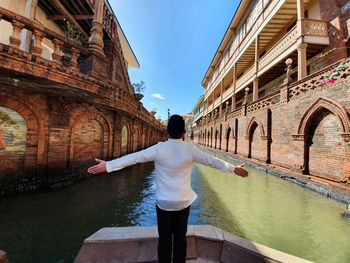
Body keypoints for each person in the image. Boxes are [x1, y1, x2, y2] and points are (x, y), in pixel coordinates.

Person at [87, 114, 248, 263]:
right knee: (180, 239)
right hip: (183, 202)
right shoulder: (190, 149)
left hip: (163, 203)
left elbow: (134, 158)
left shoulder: (158, 149)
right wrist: (234, 169)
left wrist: (108, 166)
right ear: (184, 132)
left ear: (167, 131)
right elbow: (212, 161)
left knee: (164, 240)